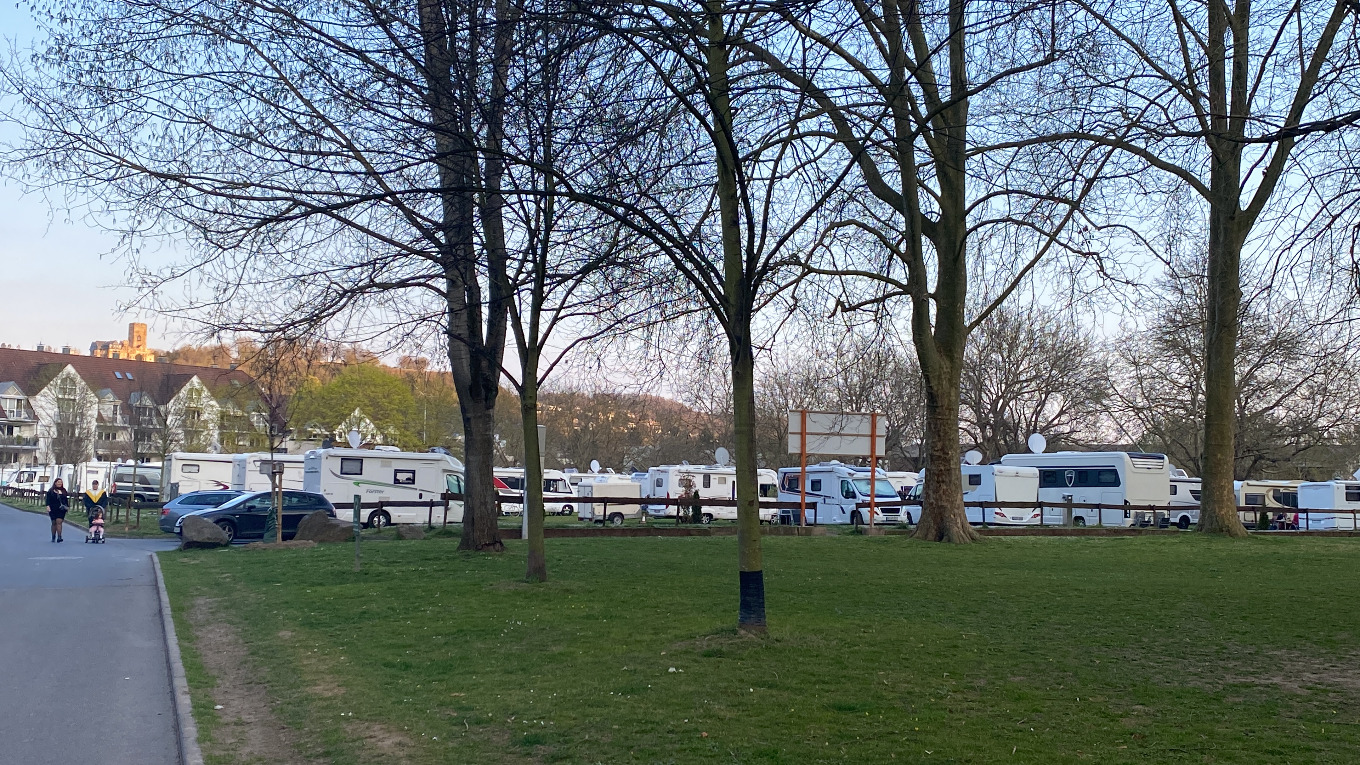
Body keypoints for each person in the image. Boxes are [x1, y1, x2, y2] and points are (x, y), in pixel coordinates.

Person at [46, 478, 70, 543]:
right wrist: (48, 506)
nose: (60, 483)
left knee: (59, 522)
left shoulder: (64, 490)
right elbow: (48, 499)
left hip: (61, 509)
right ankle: (53, 536)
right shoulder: (51, 491)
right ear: (55, 483)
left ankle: (59, 537)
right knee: (54, 523)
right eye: (58, 482)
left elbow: (66, 500)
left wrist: (67, 507)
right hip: (53, 508)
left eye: (61, 482)